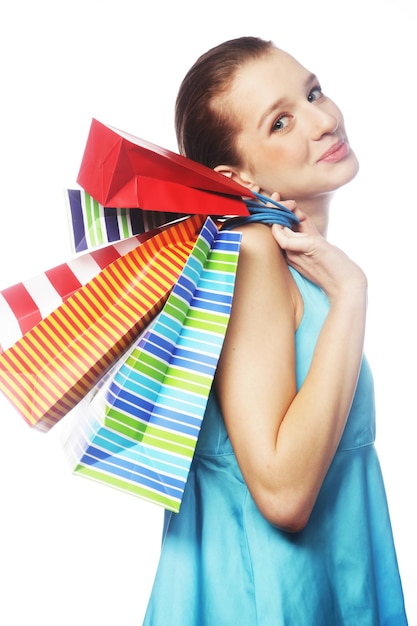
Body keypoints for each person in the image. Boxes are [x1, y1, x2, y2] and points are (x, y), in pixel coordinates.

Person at [143, 36, 408, 625]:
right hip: (266, 601)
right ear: (235, 175)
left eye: (314, 92)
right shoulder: (254, 256)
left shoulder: (301, 267)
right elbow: (283, 496)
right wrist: (351, 296)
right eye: (281, 122)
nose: (322, 120)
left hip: (326, 587)